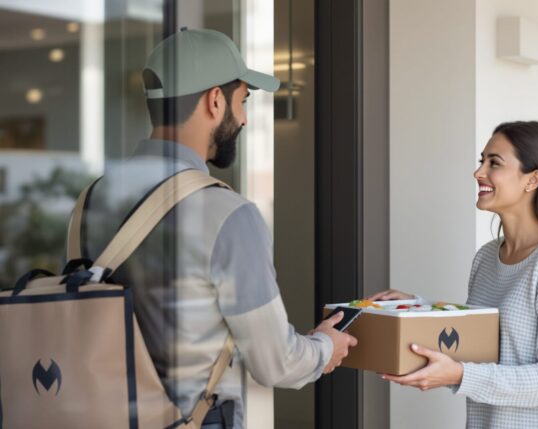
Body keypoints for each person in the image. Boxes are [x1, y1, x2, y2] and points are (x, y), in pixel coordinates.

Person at [79, 28, 356, 428]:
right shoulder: (227, 213)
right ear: (214, 100)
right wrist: (325, 347)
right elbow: (276, 363)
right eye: (242, 101)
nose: (243, 118)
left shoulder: (89, 200)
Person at [369, 121, 538, 428]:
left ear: (532, 180)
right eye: (482, 161)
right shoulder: (487, 257)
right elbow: (484, 341)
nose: (479, 172)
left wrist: (461, 375)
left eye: (495, 163)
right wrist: (418, 309)